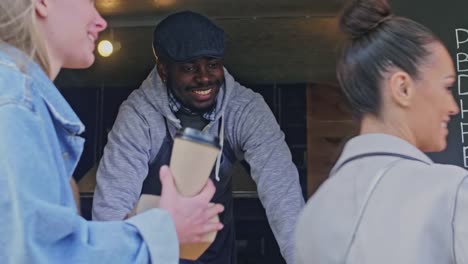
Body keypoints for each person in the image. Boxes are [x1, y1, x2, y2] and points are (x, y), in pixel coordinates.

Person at [0, 1, 223, 263]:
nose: (101, 21)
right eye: (89, 2)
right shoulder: (14, 102)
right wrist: (165, 232)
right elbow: (36, 254)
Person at [93, 10, 304, 264]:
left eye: (213, 64)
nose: (204, 77)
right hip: (154, 256)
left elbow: (283, 196)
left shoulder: (245, 110)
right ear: (163, 69)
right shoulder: (138, 116)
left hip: (216, 255)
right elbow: (111, 211)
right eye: (190, 67)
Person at [294, 0, 468, 263]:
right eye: (446, 87)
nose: (453, 107)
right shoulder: (450, 193)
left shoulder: (312, 216)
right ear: (402, 88)